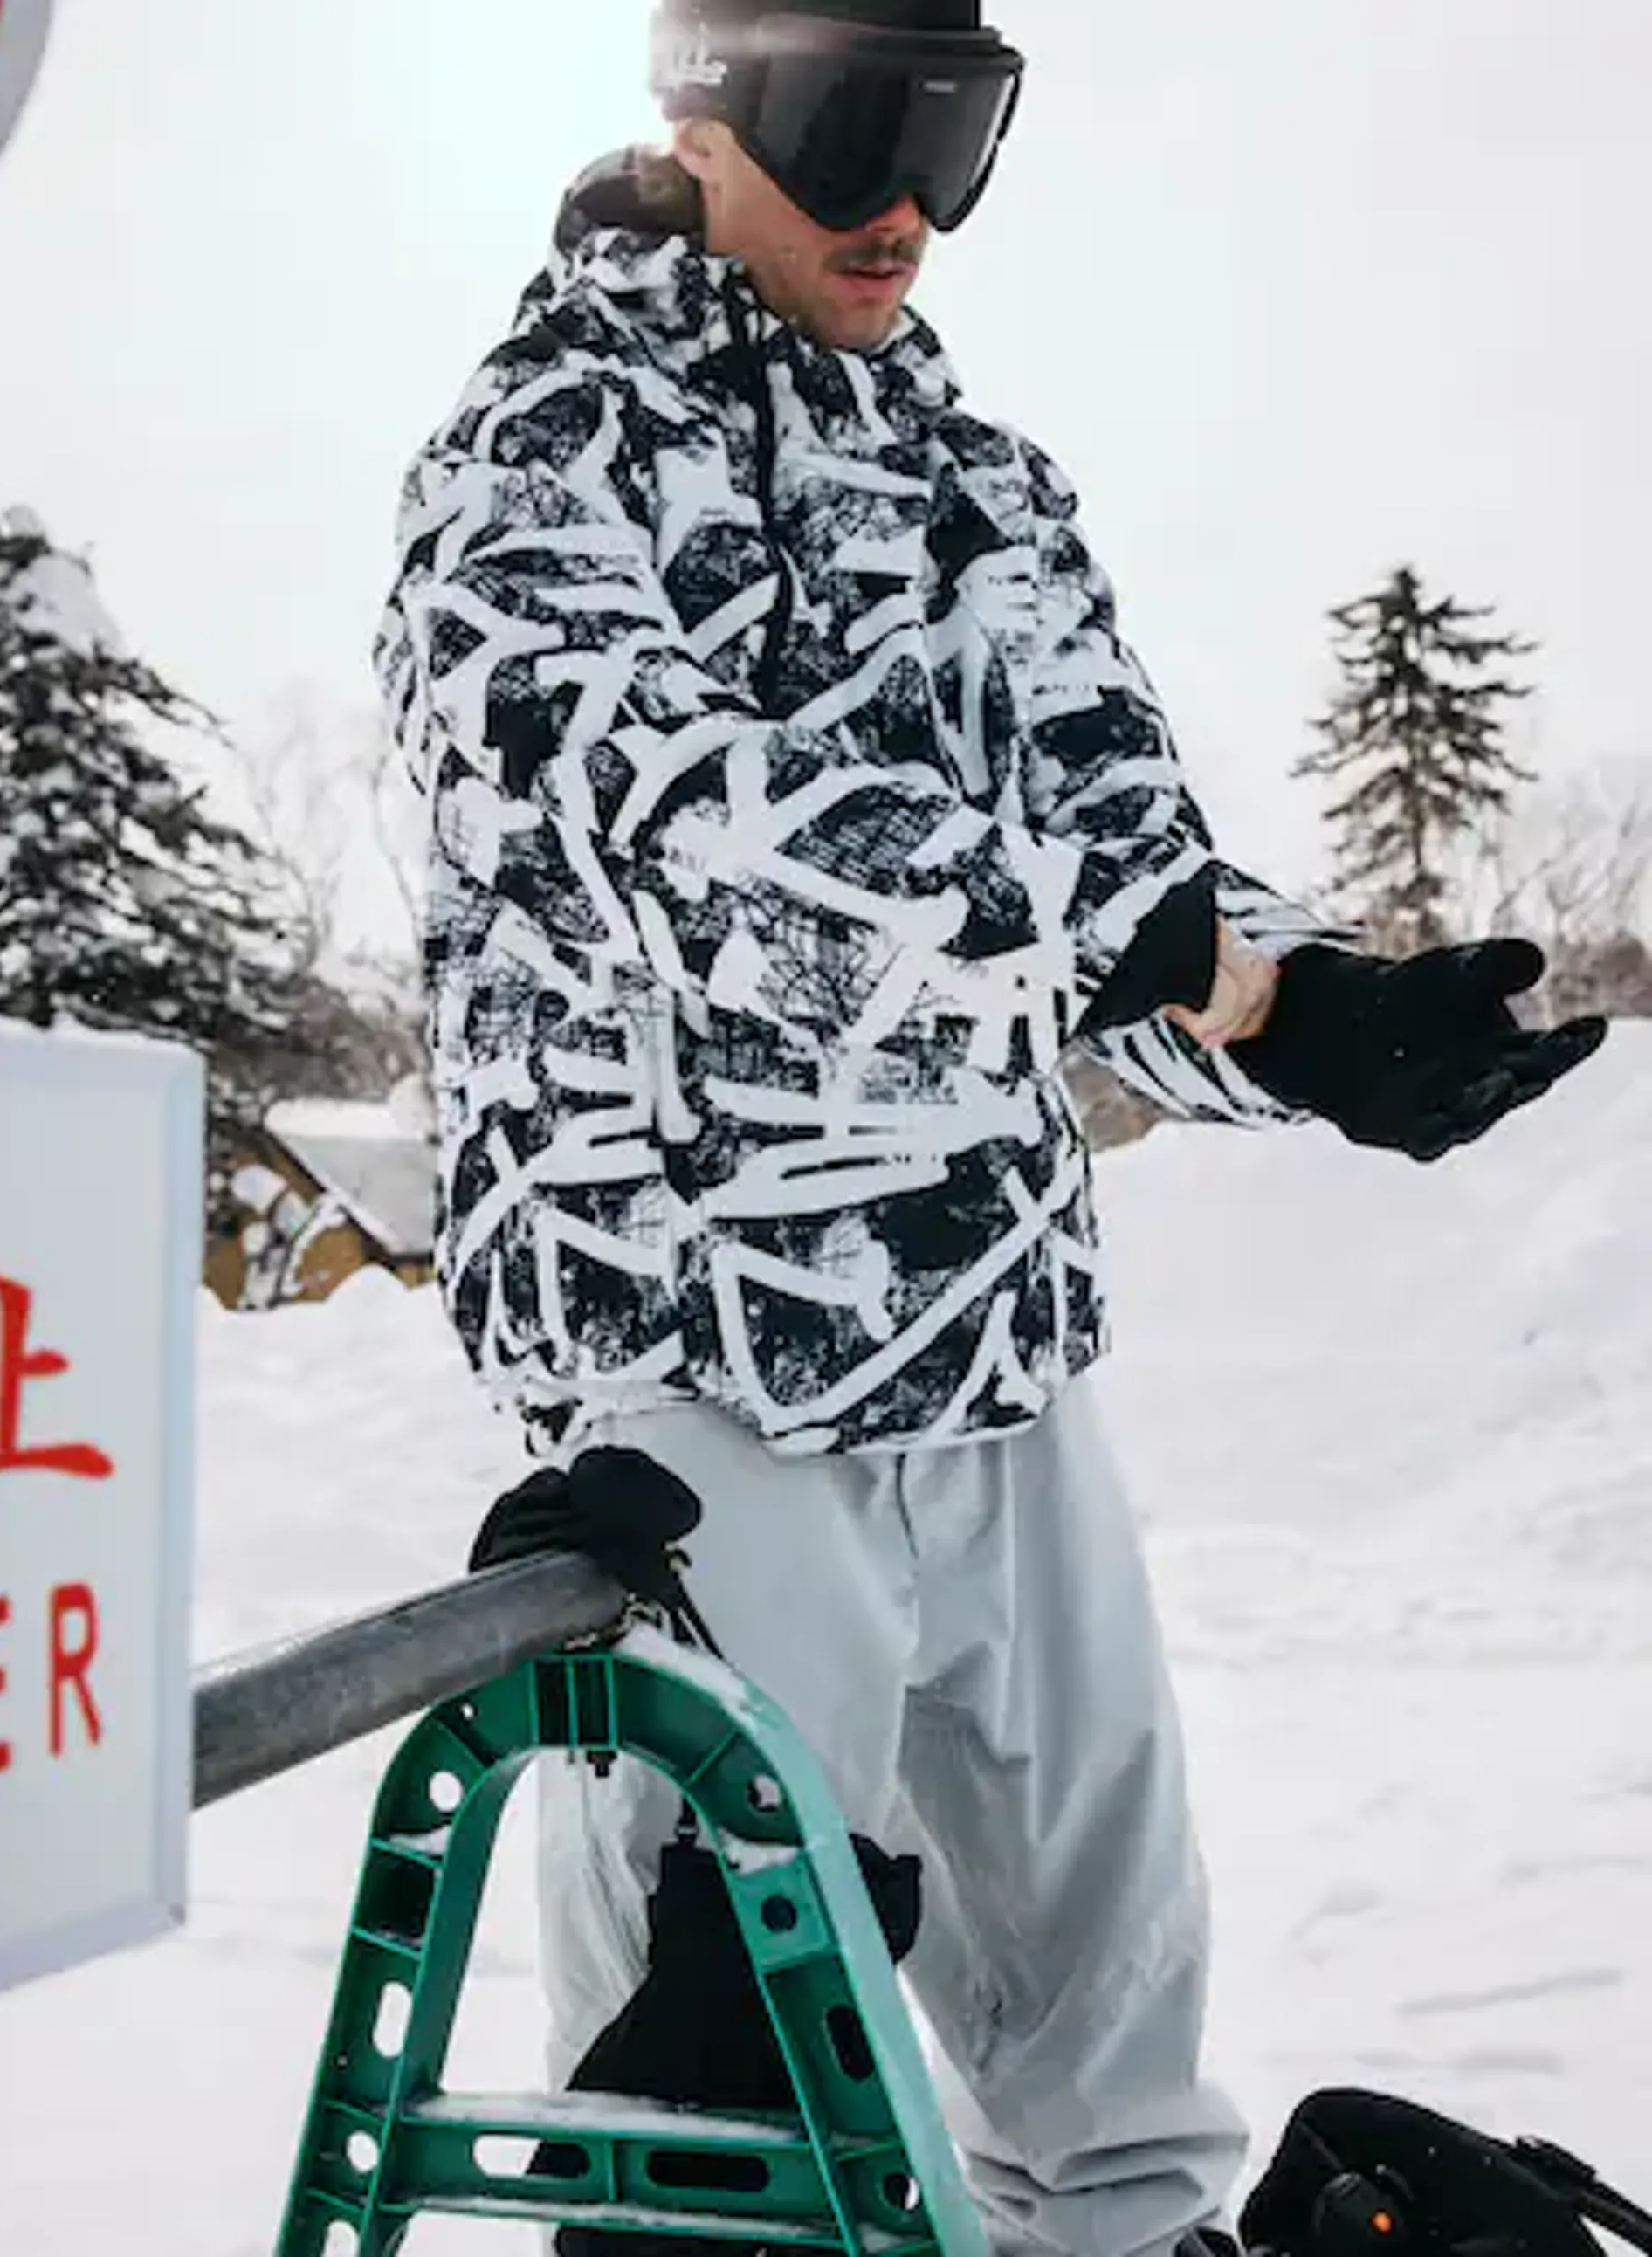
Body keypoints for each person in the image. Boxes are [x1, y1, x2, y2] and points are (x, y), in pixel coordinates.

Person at [375, 4, 1606, 2252]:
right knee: (725, 2129)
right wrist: (1177, 960)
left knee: (1121, 2096)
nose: (908, 207)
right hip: (706, 1379)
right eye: (860, 125)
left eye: (961, 133)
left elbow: (1127, 870)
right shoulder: (539, 454)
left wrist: (1316, 1017)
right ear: (703, 105)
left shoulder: (980, 483)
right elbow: (695, 848)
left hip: (997, 1351)